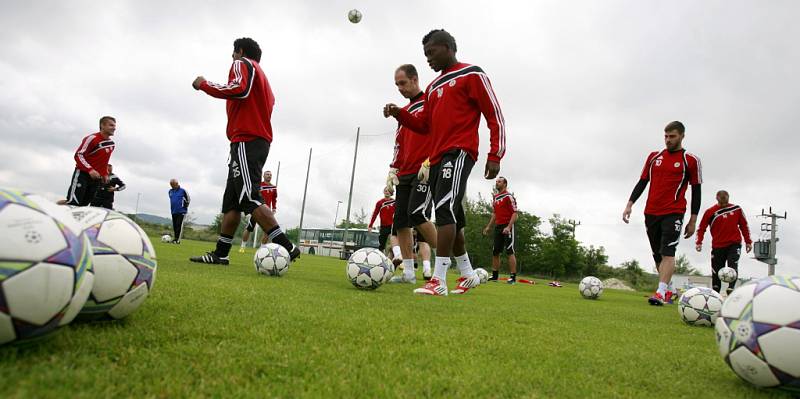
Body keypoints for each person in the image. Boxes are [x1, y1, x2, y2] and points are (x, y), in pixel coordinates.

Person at [384, 29, 506, 296]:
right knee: (455, 218)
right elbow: (423, 125)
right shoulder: (433, 87)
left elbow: (494, 114)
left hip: (459, 151)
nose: (428, 59)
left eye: (432, 52)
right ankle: (467, 273)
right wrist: (399, 115)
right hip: (436, 157)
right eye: (425, 54)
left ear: (448, 48)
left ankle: (438, 279)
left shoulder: (472, 73)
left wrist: (495, 153)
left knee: (443, 211)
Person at [190, 37, 298, 265]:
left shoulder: (243, 64)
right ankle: (220, 254)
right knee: (231, 203)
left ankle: (287, 246)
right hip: (249, 140)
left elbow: (239, 90)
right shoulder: (264, 80)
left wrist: (204, 84)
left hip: (247, 139)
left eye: (233, 53)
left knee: (249, 197)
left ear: (240, 51)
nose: (231, 58)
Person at [623, 121, 702, 306]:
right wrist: (629, 204)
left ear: (682, 136)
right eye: (666, 136)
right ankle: (669, 290)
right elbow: (642, 181)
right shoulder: (653, 157)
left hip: (674, 211)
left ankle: (660, 292)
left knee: (668, 251)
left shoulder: (690, 160)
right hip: (651, 212)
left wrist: (693, 219)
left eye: (672, 136)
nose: (668, 140)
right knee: (658, 255)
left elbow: (696, 190)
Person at [384, 64, 437, 284]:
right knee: (401, 223)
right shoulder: (404, 113)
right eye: (397, 84)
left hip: (423, 169)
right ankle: (408, 273)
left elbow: (436, 132)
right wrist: (392, 169)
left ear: (415, 80)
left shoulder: (430, 102)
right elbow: (400, 143)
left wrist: (432, 159)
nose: (400, 88)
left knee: (418, 215)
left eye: (403, 83)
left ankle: (450, 258)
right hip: (404, 171)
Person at [696, 190, 752, 295]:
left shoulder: (736, 209)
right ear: (717, 198)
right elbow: (701, 228)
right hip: (718, 246)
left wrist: (748, 241)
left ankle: (731, 288)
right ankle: (715, 293)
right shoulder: (710, 212)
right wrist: (699, 242)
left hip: (734, 244)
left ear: (728, 198)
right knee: (716, 270)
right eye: (722, 203)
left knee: (733, 264)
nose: (724, 205)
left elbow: (744, 225)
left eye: (725, 202)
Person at [66, 116, 116, 206]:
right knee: (73, 203)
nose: (114, 128)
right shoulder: (92, 138)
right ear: (102, 125)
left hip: (96, 179)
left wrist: (104, 173)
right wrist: (90, 169)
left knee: (84, 206)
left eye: (114, 126)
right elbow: (79, 155)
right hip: (82, 174)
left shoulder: (111, 144)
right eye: (111, 125)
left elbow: (104, 161)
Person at [482, 176, 518, 284]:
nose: (497, 183)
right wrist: (488, 226)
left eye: (499, 181)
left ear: (505, 184)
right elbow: (495, 213)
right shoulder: (496, 197)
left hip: (507, 226)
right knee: (495, 251)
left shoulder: (509, 196)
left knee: (509, 251)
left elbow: (515, 213)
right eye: (496, 181)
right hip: (498, 226)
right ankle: (495, 276)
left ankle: (512, 277)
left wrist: (509, 227)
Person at [240, 170, 277, 252]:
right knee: (249, 228)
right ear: (263, 176)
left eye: (270, 175)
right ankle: (242, 246)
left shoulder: (273, 187)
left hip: (267, 212)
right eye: (267, 174)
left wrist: (274, 208)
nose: (269, 176)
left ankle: (262, 249)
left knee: (267, 231)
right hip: (256, 210)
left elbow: (274, 199)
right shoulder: (258, 185)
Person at [368, 188, 401, 262]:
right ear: (383, 192)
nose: (387, 192)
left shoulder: (395, 202)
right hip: (383, 226)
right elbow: (375, 214)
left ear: (392, 192)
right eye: (386, 191)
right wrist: (370, 225)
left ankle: (397, 258)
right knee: (381, 244)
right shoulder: (380, 202)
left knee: (395, 242)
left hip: (393, 225)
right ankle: (379, 260)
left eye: (389, 191)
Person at [168, 179, 190, 244]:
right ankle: (175, 239)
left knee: (179, 225)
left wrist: (184, 207)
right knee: (175, 226)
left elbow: (188, 199)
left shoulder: (183, 191)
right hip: (173, 211)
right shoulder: (170, 191)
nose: (172, 186)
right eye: (171, 185)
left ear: (177, 184)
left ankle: (178, 240)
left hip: (181, 211)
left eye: (173, 184)